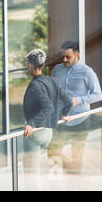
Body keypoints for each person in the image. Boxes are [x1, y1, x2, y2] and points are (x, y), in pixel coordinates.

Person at [47, 41, 102, 188]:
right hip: (61, 120)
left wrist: (78, 100)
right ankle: (79, 179)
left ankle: (75, 186)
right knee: (53, 151)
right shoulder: (57, 70)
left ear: (77, 55)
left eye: (68, 57)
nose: (64, 60)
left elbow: (98, 95)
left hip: (81, 120)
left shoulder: (87, 72)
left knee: (77, 157)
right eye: (63, 56)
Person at [21, 49, 73, 190]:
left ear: (31, 65)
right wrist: (63, 114)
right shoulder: (53, 81)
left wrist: (31, 123)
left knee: (31, 172)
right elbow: (68, 101)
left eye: (27, 64)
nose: (27, 67)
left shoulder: (34, 86)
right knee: (42, 167)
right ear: (42, 65)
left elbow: (48, 107)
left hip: (35, 133)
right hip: (48, 132)